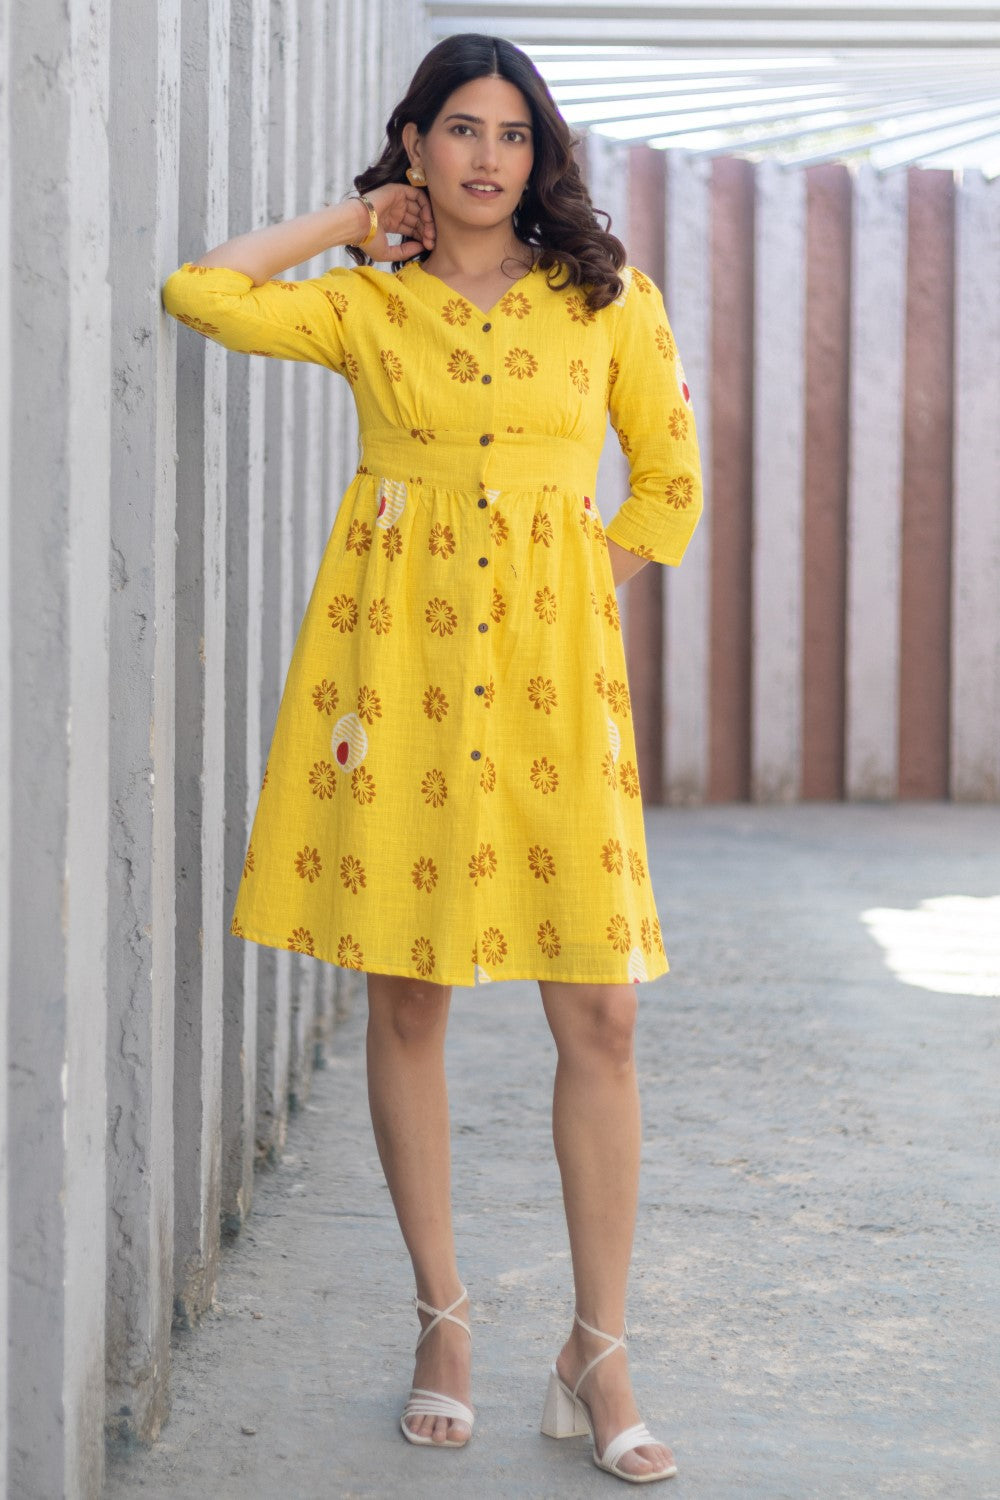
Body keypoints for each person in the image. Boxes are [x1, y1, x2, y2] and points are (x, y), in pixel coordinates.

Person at [162, 30, 702, 1485]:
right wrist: (354, 223)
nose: (485, 156)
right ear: (417, 146)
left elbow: (668, 478)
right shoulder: (368, 310)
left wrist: (589, 582)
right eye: (458, 129)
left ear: (541, 156)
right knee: (407, 998)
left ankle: (599, 1349)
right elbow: (200, 290)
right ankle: (444, 1324)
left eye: (512, 134)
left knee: (601, 1019)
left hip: (549, 689)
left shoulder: (607, 300)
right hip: (389, 679)